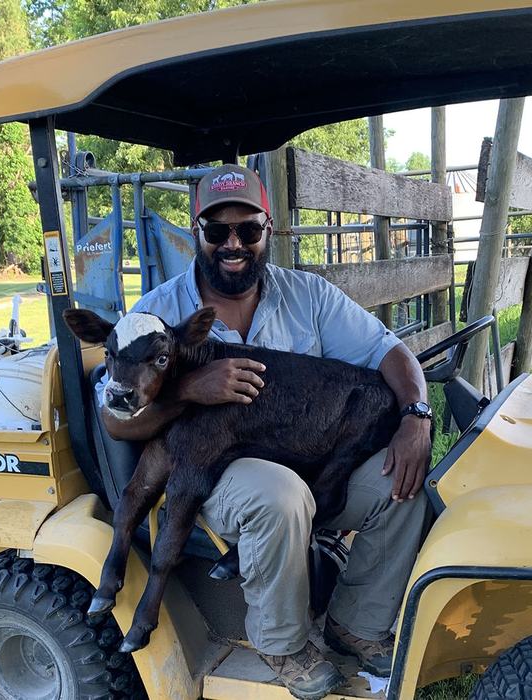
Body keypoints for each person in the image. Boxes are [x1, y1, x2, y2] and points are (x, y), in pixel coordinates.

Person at [97, 164, 431, 699]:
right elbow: (115, 419)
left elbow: (389, 351)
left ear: (267, 230)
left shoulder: (310, 296)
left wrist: (416, 414)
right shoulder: (159, 311)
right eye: (217, 231)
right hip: (213, 474)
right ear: (196, 233)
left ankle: (356, 627)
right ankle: (282, 643)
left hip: (310, 463)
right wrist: (189, 388)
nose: (234, 243)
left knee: (402, 485)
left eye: (248, 230)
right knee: (280, 495)